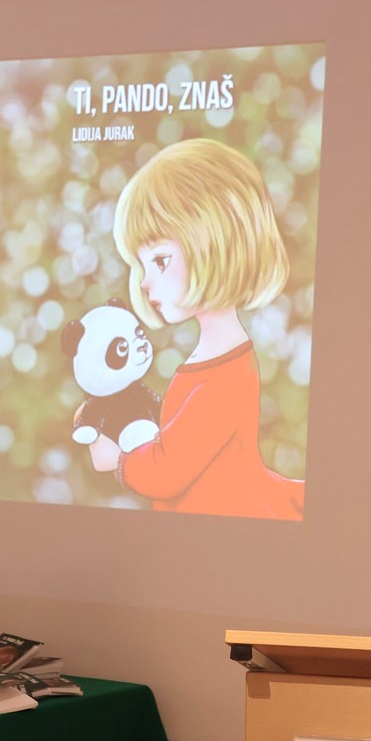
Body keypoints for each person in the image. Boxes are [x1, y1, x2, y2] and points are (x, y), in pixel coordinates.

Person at [88, 138, 304, 520]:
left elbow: (168, 471)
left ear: (213, 243)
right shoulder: (214, 359)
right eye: (141, 265)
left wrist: (118, 460)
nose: (144, 282)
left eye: (160, 260)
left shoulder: (226, 374)